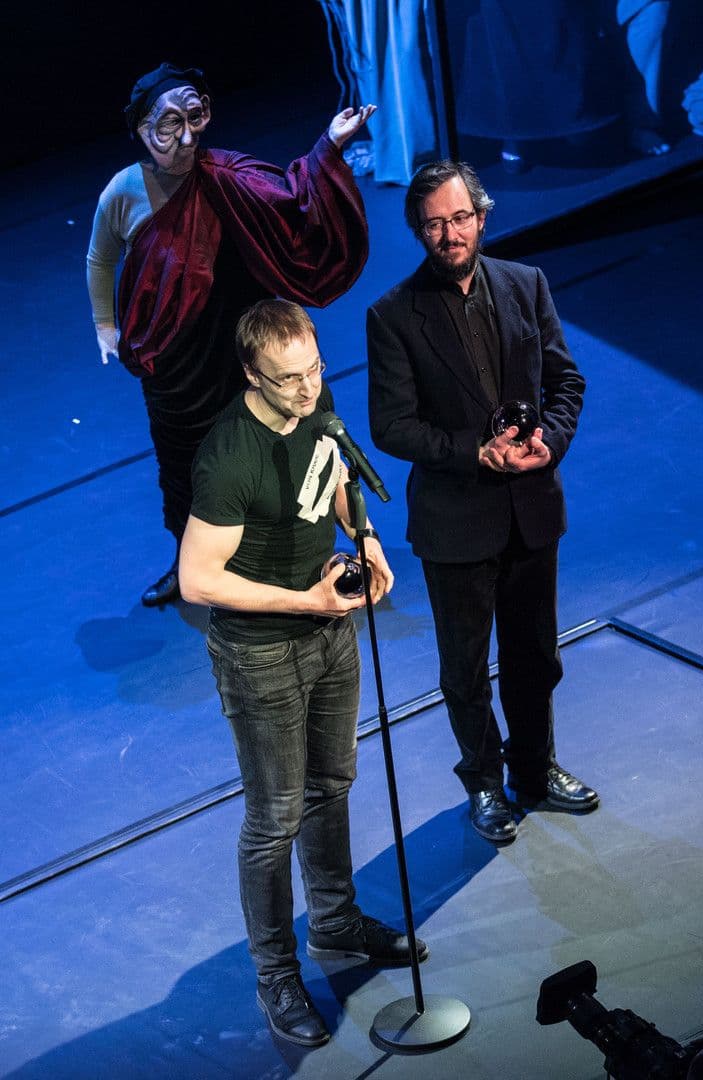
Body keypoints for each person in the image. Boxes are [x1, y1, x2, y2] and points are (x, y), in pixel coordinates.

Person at [179, 299, 428, 1047]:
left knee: (333, 782)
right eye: (289, 379)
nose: (309, 387)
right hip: (262, 652)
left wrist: (367, 538)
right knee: (275, 818)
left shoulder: (313, 400)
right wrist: (304, 601)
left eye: (314, 369)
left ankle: (335, 921)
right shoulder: (229, 456)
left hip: (329, 631)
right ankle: (275, 974)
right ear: (252, 375)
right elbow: (197, 578)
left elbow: (336, 476)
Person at [366, 160, 599, 846]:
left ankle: (535, 769)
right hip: (455, 522)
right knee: (465, 670)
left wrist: (549, 443)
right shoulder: (392, 315)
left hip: (531, 507)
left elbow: (566, 383)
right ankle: (485, 785)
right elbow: (392, 426)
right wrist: (476, 452)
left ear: (482, 216)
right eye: (434, 224)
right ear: (417, 230)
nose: (450, 234)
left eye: (460, 218)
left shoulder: (527, 283)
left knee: (535, 655)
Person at [87, 62, 373, 607]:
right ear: (142, 130)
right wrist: (105, 324)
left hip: (247, 352)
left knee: (286, 446)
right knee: (183, 466)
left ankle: (299, 554)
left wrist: (329, 148)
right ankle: (187, 562)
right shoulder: (123, 192)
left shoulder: (226, 175)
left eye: (194, 118)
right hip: (176, 364)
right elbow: (99, 258)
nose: (187, 138)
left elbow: (292, 200)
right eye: (169, 125)